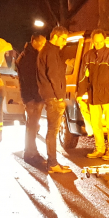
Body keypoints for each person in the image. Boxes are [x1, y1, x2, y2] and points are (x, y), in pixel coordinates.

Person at [76, 29, 109, 161]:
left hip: (108, 94)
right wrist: (80, 93)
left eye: (100, 41)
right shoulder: (88, 56)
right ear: (92, 41)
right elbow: (82, 76)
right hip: (93, 94)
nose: (98, 44)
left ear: (104, 40)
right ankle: (100, 148)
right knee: (95, 123)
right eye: (96, 42)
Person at [36, 26, 72, 173]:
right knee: (53, 131)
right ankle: (52, 164)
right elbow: (54, 76)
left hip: (50, 95)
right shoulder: (51, 52)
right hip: (53, 96)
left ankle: (53, 162)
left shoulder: (48, 51)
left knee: (53, 130)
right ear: (56, 37)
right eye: (63, 39)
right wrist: (59, 97)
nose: (64, 43)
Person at [15, 34, 47, 162]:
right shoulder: (29, 57)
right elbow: (30, 80)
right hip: (32, 97)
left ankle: (30, 151)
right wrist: (37, 96)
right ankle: (31, 153)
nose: (43, 46)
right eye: (41, 43)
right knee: (32, 125)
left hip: (32, 96)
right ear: (34, 42)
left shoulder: (27, 55)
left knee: (32, 125)